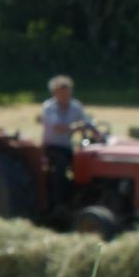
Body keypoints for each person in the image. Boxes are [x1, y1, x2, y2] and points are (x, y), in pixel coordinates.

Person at [40, 75, 98, 207]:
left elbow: (87, 123)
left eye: (68, 92)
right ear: (55, 93)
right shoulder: (49, 108)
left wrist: (98, 134)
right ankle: (58, 202)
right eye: (62, 92)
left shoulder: (75, 106)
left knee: (84, 163)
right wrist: (77, 126)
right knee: (61, 165)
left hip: (67, 147)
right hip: (51, 147)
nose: (66, 95)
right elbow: (58, 128)